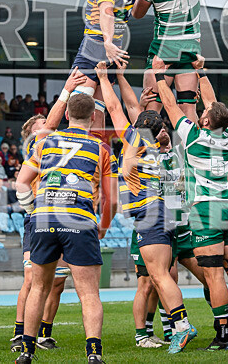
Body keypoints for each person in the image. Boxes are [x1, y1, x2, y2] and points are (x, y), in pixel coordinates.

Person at [153, 57, 228, 351]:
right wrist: (200, 72)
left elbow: (171, 106)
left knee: (214, 276)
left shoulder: (193, 136)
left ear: (206, 120)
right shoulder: (226, 136)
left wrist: (160, 75)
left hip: (204, 208)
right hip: (227, 207)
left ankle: (223, 335)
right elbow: (213, 101)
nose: (203, 107)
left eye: (205, 111)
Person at [96, 61, 197, 353]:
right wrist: (118, 76)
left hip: (149, 213)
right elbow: (127, 104)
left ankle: (181, 326)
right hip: (161, 211)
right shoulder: (147, 143)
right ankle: (177, 326)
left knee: (159, 275)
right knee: (160, 274)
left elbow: (116, 108)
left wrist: (105, 78)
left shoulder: (136, 139)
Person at [14, 93, 116, 364]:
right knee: (89, 293)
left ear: (67, 115)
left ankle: (27, 351)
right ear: (93, 117)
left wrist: (33, 210)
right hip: (80, 220)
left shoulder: (44, 142)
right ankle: (93, 354)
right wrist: (103, 226)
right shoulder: (102, 149)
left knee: (39, 287)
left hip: (44, 220)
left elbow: (22, 183)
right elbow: (112, 198)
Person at [10, 68, 88, 353]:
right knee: (32, 279)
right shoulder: (36, 144)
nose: (48, 125)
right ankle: (20, 333)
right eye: (42, 123)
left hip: (61, 214)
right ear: (33, 132)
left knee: (58, 283)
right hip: (38, 217)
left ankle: (44, 333)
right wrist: (67, 91)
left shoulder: (60, 144)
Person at [68, 0, 158, 141]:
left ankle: (80, 151)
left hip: (98, 44)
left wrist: (106, 41)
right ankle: (99, 151)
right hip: (117, 43)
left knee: (78, 106)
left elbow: (107, 11)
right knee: (98, 103)